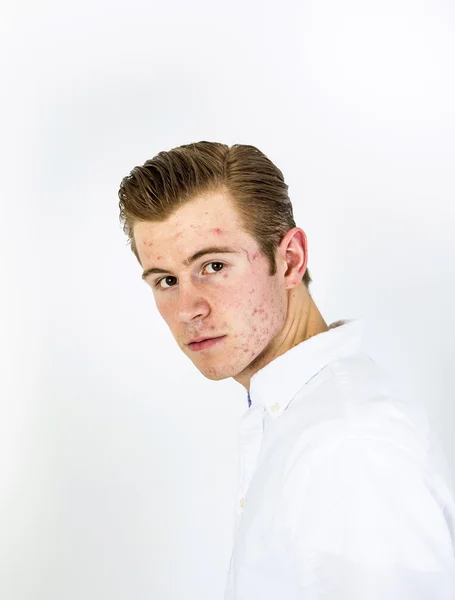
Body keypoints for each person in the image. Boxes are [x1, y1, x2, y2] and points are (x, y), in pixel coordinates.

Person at [118, 141, 455, 598]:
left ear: (291, 260)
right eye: (166, 280)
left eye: (213, 265)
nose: (187, 310)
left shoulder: (347, 442)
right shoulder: (292, 418)